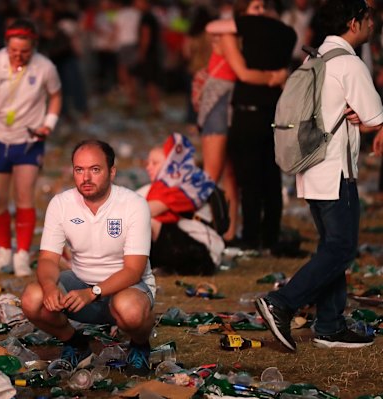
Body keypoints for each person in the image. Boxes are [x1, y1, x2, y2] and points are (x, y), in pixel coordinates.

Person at [256, 0, 383, 350]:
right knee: (341, 248)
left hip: (310, 168)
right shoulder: (348, 63)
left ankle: (329, 324)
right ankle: (281, 303)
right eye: (369, 18)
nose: (373, 24)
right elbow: (374, 117)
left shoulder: (314, 59)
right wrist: (368, 116)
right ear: (354, 22)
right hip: (335, 171)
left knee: (332, 246)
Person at [21, 139, 156, 376]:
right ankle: (76, 343)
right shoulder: (61, 204)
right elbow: (48, 260)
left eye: (95, 169)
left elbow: (134, 270)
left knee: (130, 311)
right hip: (80, 285)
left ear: (111, 172)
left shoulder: (133, 204)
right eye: (79, 170)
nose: (86, 178)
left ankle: (140, 345)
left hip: (127, 288)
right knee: (33, 298)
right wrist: (50, 286)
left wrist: (93, 292)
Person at [0, 19, 62, 277]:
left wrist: (49, 124)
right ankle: (3, 251)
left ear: (34, 46)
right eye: (14, 51)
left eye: (24, 51)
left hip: (29, 141)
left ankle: (22, 254)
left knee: (24, 196)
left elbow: (56, 96)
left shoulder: (45, 67)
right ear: (6, 46)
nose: (18, 56)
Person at [200, 0, 287, 243]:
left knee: (233, 176)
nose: (261, 13)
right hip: (220, 103)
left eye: (262, 8)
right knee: (212, 173)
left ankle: (228, 232)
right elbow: (244, 74)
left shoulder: (253, 37)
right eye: (255, 8)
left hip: (235, 107)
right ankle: (197, 226)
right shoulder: (229, 33)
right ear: (242, 14)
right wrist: (275, 77)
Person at [218, 5, 296, 251]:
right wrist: (275, 78)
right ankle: (270, 235)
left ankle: (251, 236)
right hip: (273, 113)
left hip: (248, 113)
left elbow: (243, 73)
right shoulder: (287, 34)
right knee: (271, 179)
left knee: (249, 181)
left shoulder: (249, 29)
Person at [139, 134, 224, 275]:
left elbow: (142, 211)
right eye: (148, 163)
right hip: (181, 247)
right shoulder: (156, 187)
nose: (149, 167)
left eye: (155, 163)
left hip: (202, 254)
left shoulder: (183, 186)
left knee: (145, 221)